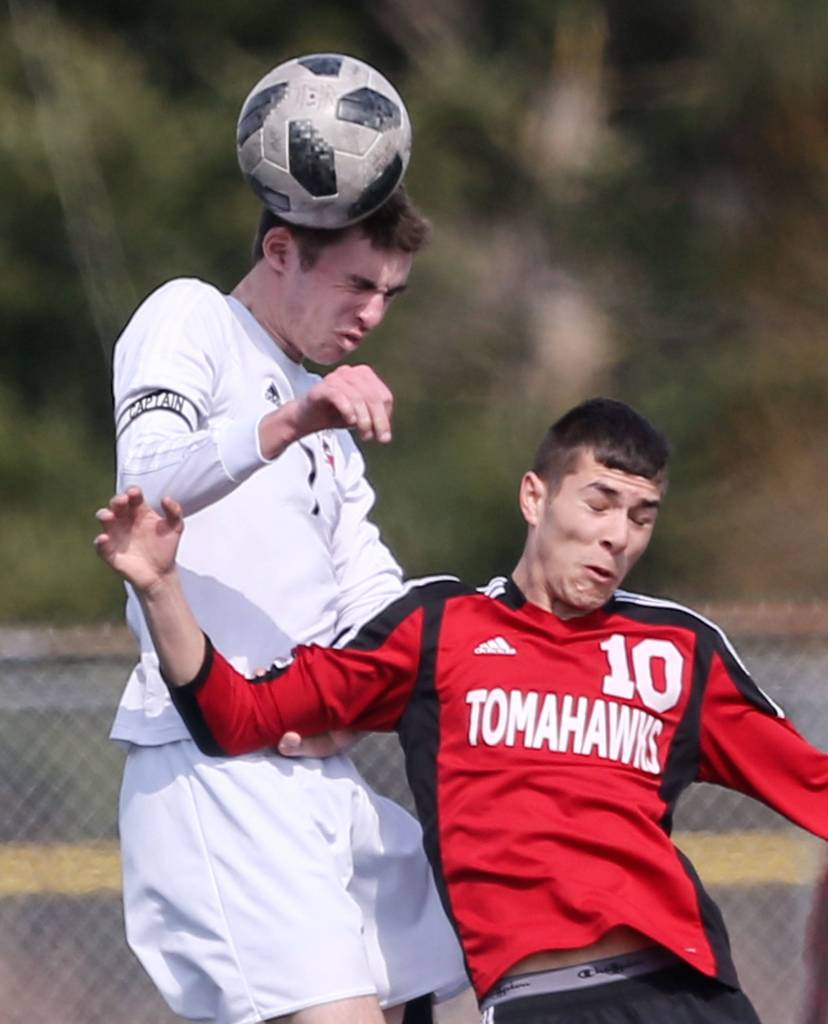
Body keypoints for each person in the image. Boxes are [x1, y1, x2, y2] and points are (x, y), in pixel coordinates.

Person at [97, 396, 828, 1024]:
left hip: (686, 993)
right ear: (535, 498)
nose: (618, 535)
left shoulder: (677, 649)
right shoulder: (438, 627)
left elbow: (814, 787)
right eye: (600, 502)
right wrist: (161, 588)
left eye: (642, 516)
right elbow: (239, 715)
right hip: (537, 1000)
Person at [108, 185, 470, 1024]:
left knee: (421, 996)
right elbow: (147, 484)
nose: (375, 313)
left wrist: (494, 619)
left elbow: (369, 599)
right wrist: (286, 422)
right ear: (280, 252)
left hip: (318, 772)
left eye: (390, 294)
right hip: (210, 764)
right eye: (357, 286)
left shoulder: (327, 425)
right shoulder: (191, 315)